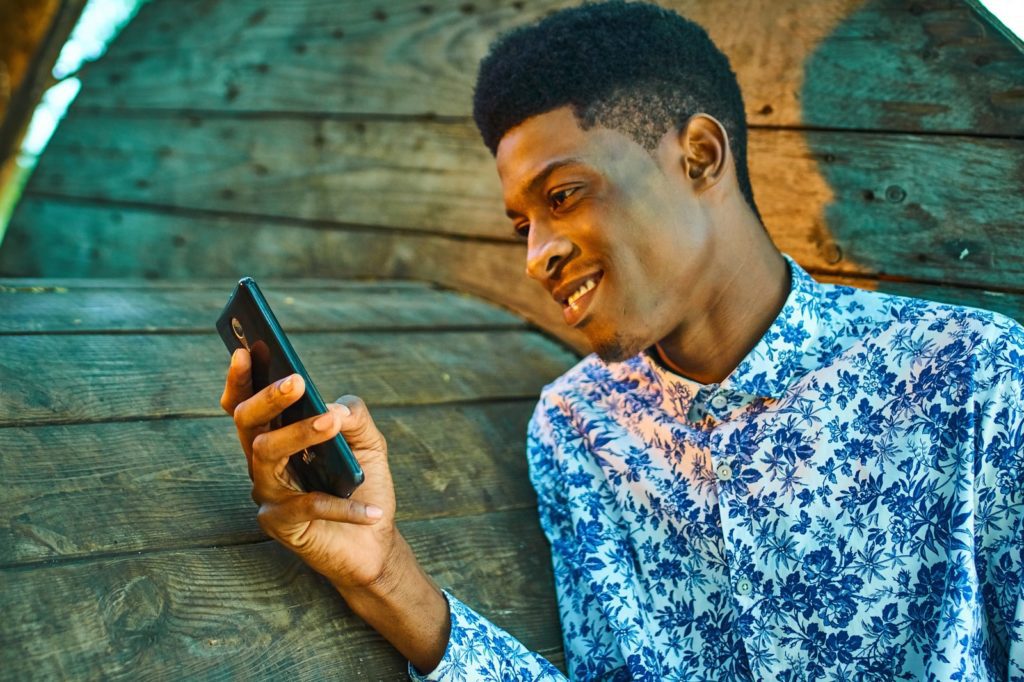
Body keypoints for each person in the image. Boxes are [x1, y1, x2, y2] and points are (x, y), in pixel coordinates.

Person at [220, 2, 1024, 680]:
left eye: (563, 195)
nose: (537, 254)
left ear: (700, 156)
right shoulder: (579, 427)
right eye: (520, 225)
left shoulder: (974, 378)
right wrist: (385, 575)